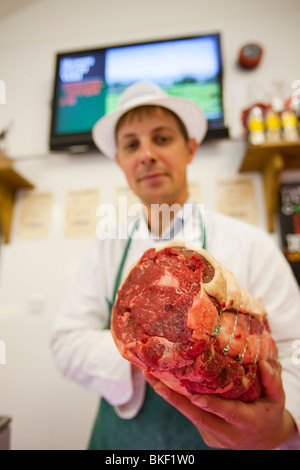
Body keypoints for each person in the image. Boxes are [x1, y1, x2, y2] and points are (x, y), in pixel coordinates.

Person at [50, 81, 300, 450]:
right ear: (120, 161)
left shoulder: (250, 242)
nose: (147, 154)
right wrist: (158, 350)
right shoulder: (106, 246)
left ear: (190, 149)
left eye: (162, 138)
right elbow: (65, 342)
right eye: (131, 144)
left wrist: (282, 425)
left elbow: (294, 343)